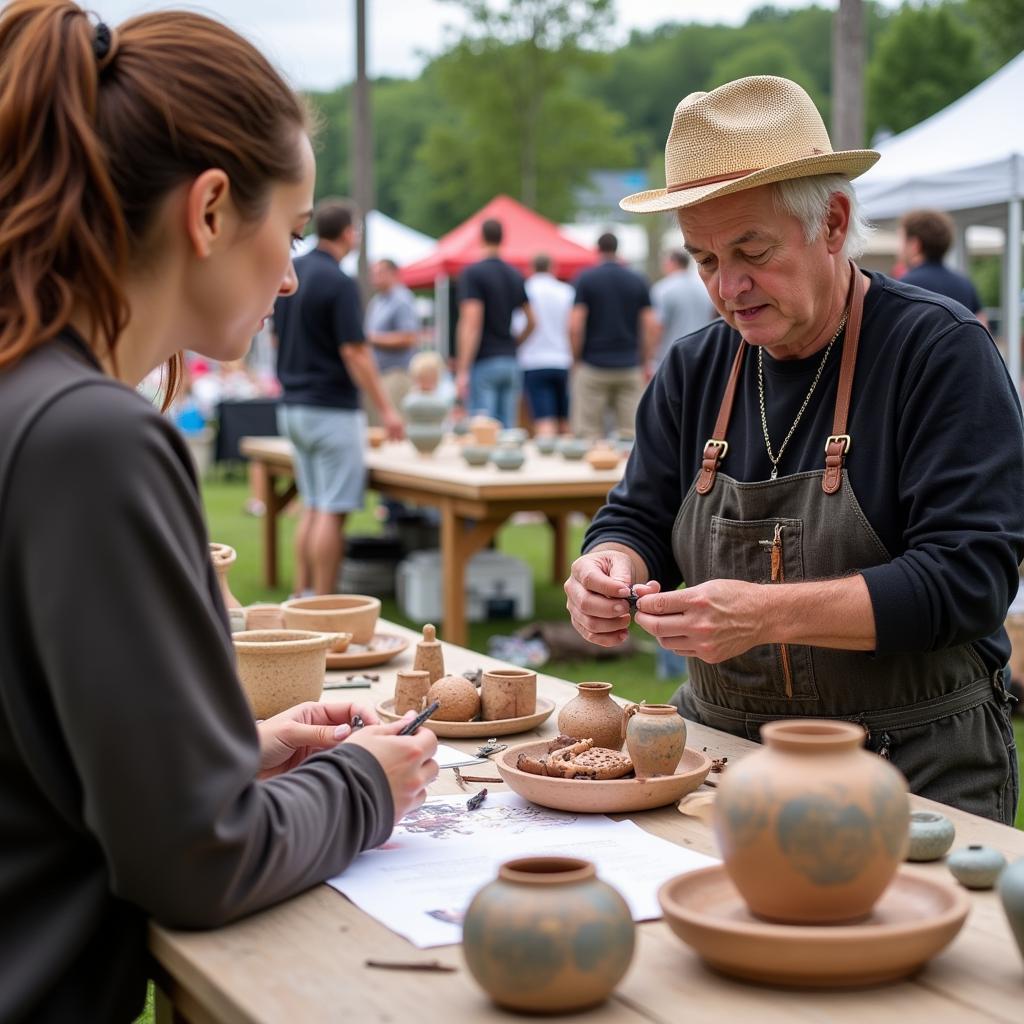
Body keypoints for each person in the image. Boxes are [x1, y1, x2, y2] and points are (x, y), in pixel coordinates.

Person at [0, 5, 437, 1021]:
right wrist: (368, 781)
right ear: (206, 211)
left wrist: (231, 752)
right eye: (286, 231)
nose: (290, 275)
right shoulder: (90, 438)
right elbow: (196, 860)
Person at [565, 75, 1024, 824]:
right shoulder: (693, 369)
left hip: (907, 768)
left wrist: (769, 614)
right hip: (715, 763)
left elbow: (969, 579)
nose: (729, 286)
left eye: (752, 250)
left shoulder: (937, 351)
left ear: (834, 222)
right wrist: (609, 563)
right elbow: (637, 516)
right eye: (705, 260)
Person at [274, 198, 404, 596]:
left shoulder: (292, 273)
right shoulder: (340, 281)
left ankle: (301, 594)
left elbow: (275, 336)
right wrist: (386, 409)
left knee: (313, 504)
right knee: (331, 510)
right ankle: (324, 603)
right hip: (329, 408)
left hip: (292, 405)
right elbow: (355, 351)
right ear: (348, 234)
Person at [569, 232, 657, 439]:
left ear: (597, 249)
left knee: (587, 435)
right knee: (633, 438)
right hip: (628, 365)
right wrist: (643, 359)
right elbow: (650, 325)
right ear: (618, 250)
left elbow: (575, 325)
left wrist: (576, 359)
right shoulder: (637, 279)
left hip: (593, 365)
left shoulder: (586, 279)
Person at [455, 218, 534, 427]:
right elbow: (532, 320)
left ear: (481, 237)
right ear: (502, 238)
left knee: (484, 432)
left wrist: (462, 369)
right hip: (510, 360)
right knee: (508, 433)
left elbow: (472, 323)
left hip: (484, 361)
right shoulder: (515, 275)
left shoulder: (473, 274)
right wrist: (515, 342)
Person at [898, 209, 989, 328]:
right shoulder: (964, 284)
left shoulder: (904, 286)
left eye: (901, 240)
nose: (899, 248)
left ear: (915, 244)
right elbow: (982, 325)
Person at [518, 253, 574, 437]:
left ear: (531, 268)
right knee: (565, 421)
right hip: (562, 359)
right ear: (553, 268)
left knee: (543, 420)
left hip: (533, 360)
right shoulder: (567, 292)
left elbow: (518, 326)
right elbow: (572, 326)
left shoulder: (526, 290)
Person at [365, 257, 420, 425]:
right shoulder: (377, 301)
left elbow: (409, 337)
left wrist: (372, 338)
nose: (374, 277)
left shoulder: (401, 299)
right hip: (379, 374)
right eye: (373, 273)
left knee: (394, 426)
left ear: (393, 273)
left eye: (379, 273)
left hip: (396, 374)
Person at [649, 249, 717, 370]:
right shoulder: (705, 288)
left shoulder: (663, 289)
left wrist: (652, 358)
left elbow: (657, 327)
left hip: (671, 358)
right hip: (705, 354)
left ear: (673, 263)